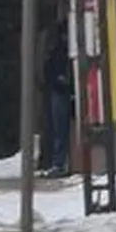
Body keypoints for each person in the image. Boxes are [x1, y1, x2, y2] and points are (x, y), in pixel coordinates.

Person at [41, 20, 74, 177]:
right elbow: (49, 72)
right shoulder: (59, 52)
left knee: (61, 129)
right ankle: (59, 162)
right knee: (60, 129)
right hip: (61, 93)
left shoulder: (60, 51)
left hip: (63, 92)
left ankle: (60, 161)